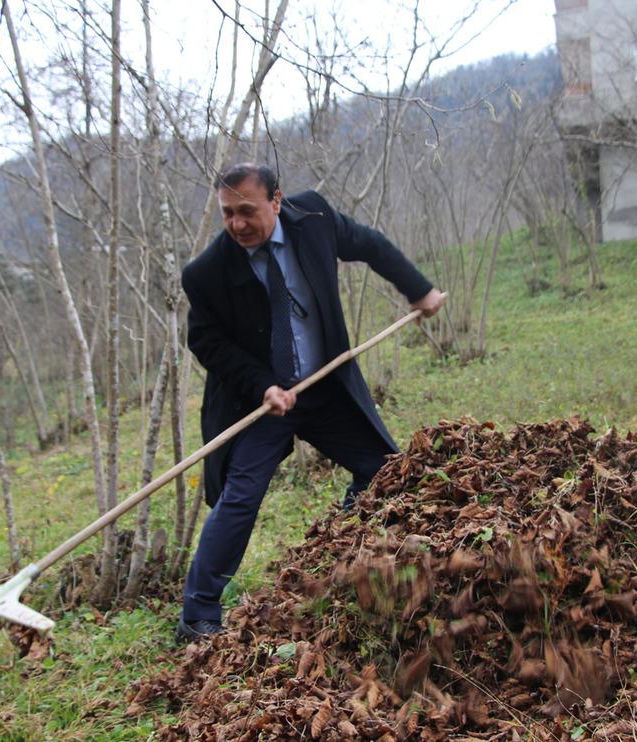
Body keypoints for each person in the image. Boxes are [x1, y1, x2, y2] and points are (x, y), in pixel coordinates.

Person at [176, 163, 444, 641]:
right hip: (257, 402)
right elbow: (207, 342)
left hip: (323, 386)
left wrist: (418, 289)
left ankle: (343, 550)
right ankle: (198, 614)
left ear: (276, 201)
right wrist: (262, 384)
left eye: (247, 211)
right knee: (241, 495)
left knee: (381, 468)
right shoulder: (207, 273)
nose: (237, 224)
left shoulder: (313, 217)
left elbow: (370, 244)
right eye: (227, 213)